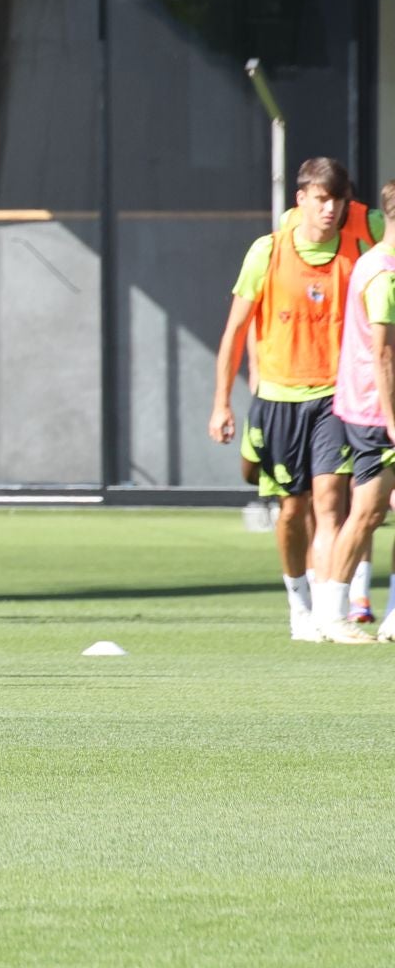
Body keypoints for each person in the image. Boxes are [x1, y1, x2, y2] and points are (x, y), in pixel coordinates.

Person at [209, 158, 381, 642]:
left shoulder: (362, 234)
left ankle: (332, 614)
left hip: (336, 397)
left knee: (331, 502)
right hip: (279, 398)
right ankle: (299, 604)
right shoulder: (268, 251)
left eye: (338, 200)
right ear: (301, 198)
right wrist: (222, 403)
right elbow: (234, 330)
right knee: (292, 510)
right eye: (321, 199)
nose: (330, 209)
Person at [323, 178, 395, 644]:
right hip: (376, 410)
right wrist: (392, 421)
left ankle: (391, 617)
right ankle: (330, 614)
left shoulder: (374, 263)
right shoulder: (384, 272)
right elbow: (383, 354)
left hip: (369, 405)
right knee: (366, 512)